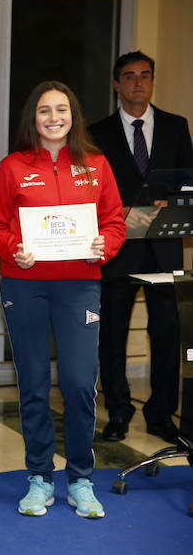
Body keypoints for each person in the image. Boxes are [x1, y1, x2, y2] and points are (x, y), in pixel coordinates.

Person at [0, 81, 125, 519]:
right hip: (26, 285)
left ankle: (81, 478)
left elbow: (114, 222)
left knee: (81, 383)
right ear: (33, 117)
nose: (53, 118)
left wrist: (105, 245)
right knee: (33, 383)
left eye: (61, 109)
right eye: (44, 110)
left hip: (79, 285)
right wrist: (12, 249)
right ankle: (40, 477)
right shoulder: (12, 167)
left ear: (73, 115)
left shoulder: (97, 165)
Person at [89, 51, 193, 444]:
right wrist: (121, 211)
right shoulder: (97, 132)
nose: (137, 83)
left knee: (166, 334)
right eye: (128, 77)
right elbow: (91, 190)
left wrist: (172, 204)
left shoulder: (175, 126)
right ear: (117, 84)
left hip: (165, 249)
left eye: (144, 76)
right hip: (117, 249)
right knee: (112, 334)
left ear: (152, 81)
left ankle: (162, 414)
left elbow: (189, 183)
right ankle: (117, 411)